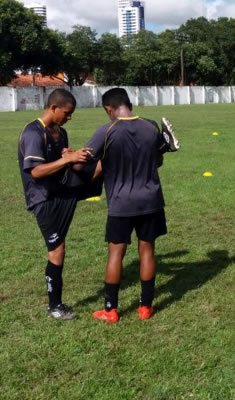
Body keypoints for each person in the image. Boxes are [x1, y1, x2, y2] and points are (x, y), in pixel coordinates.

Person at [86, 88, 174, 323]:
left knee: (116, 253)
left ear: (109, 109)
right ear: (129, 103)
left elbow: (84, 163)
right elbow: (158, 161)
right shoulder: (150, 126)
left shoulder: (106, 131)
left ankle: (110, 310)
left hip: (121, 203)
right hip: (150, 200)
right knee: (147, 250)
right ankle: (145, 307)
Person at [17, 89, 96, 320]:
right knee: (57, 250)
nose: (69, 117)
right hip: (42, 199)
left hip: (60, 191)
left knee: (95, 167)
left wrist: (70, 154)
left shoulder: (60, 132)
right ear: (53, 108)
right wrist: (66, 159)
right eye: (67, 113)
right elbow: (36, 171)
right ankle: (55, 306)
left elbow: (60, 161)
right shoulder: (33, 133)